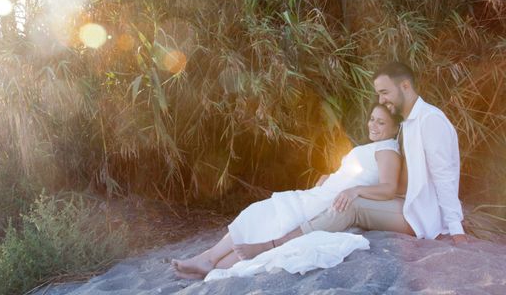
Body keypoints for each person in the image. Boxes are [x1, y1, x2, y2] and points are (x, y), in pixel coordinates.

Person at [231, 61, 468, 262]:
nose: (381, 99)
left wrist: (456, 230)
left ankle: (274, 244)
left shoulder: (430, 121)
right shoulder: (407, 123)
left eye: (385, 92)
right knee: (342, 197)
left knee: (350, 205)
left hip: (421, 215)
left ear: (405, 86)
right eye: (378, 93)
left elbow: (444, 176)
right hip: (404, 201)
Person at [172, 103, 402, 279]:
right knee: (263, 219)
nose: (373, 125)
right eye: (372, 119)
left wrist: (355, 190)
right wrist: (331, 177)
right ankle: (209, 265)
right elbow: (359, 172)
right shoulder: (375, 147)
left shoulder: (388, 150)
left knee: (263, 214)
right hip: (321, 194)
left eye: (381, 123)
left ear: (395, 127)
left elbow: (388, 188)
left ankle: (209, 261)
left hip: (326, 202)